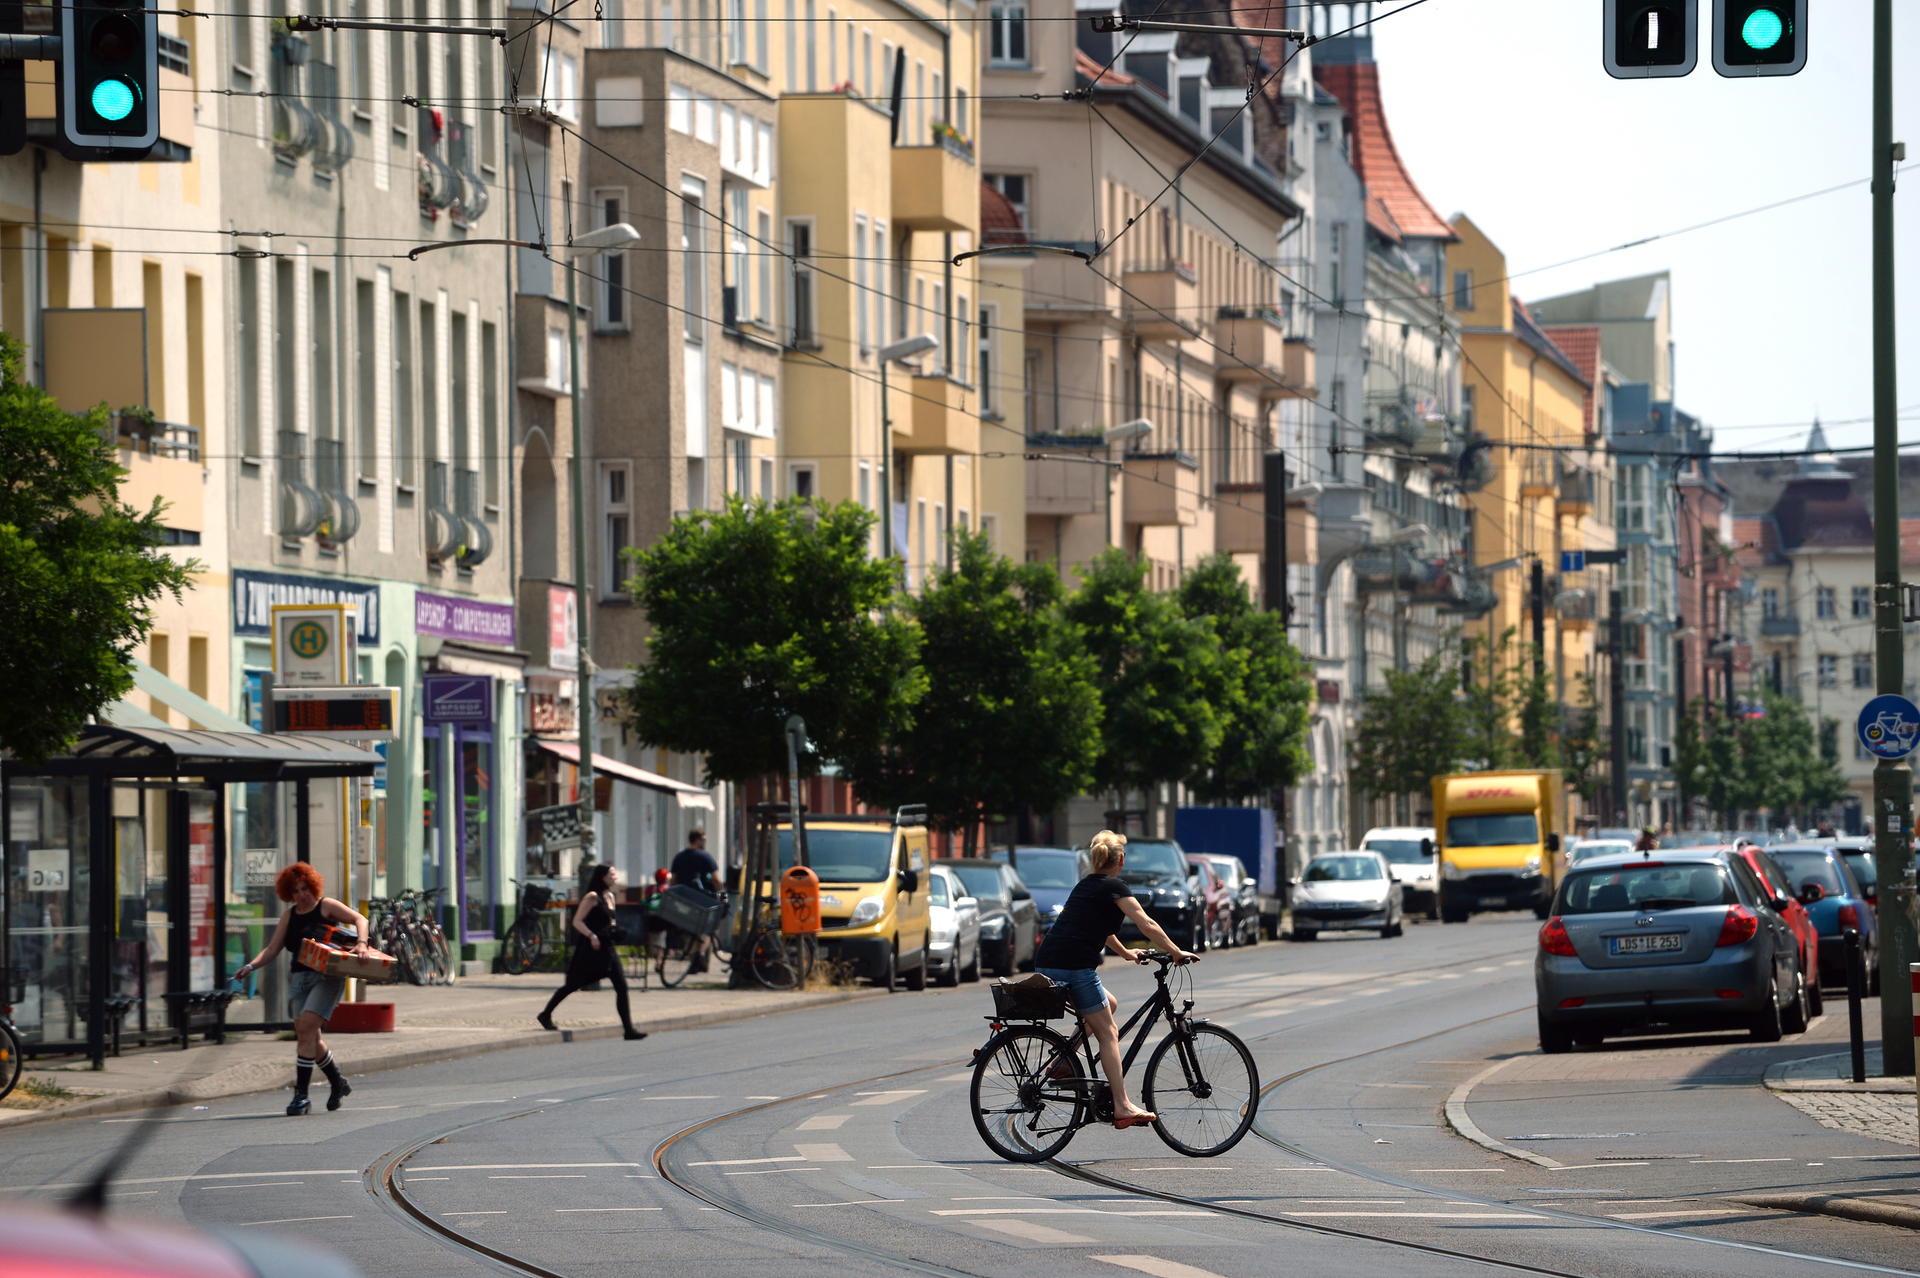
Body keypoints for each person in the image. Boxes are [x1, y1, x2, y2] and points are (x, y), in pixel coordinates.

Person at [1032, 829, 1198, 1130]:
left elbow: (1097, 928)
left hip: (1048, 963)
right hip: (1076, 968)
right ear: (1120, 860)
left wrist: (1124, 953)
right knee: (1108, 1033)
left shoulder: (1086, 886)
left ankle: (1062, 1062)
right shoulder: (1115, 887)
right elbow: (1145, 922)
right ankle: (1122, 1105)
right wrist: (1174, 951)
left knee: (1109, 1004)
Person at [235, 862, 371, 1116]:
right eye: (296, 891)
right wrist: (250, 967)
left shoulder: (326, 906)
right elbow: (272, 949)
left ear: (313, 886)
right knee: (310, 1036)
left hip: (326, 976)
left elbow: (359, 919)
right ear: (290, 893)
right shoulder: (289, 915)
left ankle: (301, 1096)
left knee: (306, 1027)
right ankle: (338, 1083)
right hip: (299, 978)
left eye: (305, 888)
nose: (302, 895)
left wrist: (362, 943)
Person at [537, 864, 646, 1040]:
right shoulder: (592, 897)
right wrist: (592, 935)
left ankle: (628, 1030)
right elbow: (577, 921)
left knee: (622, 987)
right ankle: (545, 1014)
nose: (615, 877)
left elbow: (610, 921)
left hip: (608, 948)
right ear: (602, 877)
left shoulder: (610, 896)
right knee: (573, 985)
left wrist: (616, 932)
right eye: (612, 874)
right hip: (591, 950)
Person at [665, 829, 722, 974]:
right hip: (703, 899)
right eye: (704, 839)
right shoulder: (705, 857)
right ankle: (701, 954)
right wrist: (721, 894)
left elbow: (673, 880)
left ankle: (694, 958)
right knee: (708, 928)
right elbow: (717, 880)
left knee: (688, 929)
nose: (705, 842)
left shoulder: (679, 857)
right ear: (698, 839)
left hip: (685, 900)